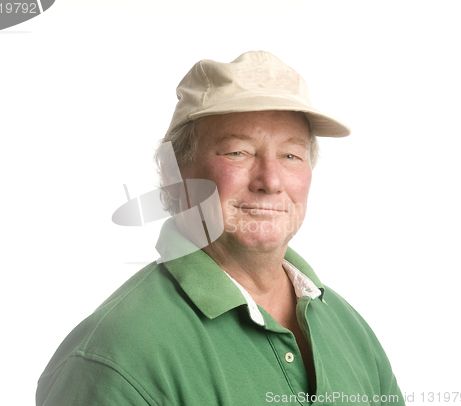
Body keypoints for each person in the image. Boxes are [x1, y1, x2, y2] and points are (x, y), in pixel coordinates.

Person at [36, 51, 405, 405]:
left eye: (291, 155)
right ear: (174, 173)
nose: (270, 180)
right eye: (238, 152)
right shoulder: (116, 356)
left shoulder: (348, 329)